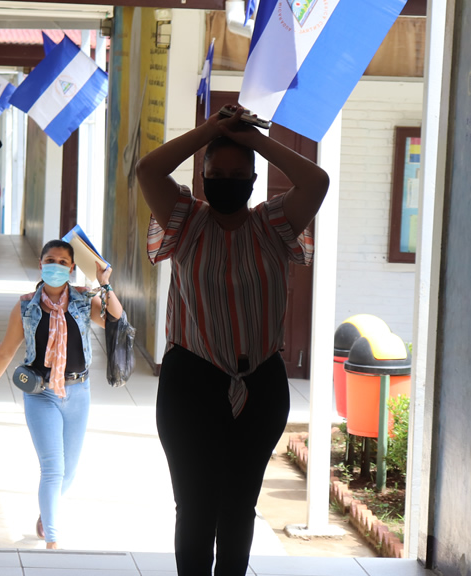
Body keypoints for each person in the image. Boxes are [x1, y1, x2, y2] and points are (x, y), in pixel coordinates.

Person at [136, 105, 330, 576]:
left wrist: (252, 138)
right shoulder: (185, 220)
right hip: (190, 383)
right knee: (197, 507)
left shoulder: (274, 224)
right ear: (201, 177)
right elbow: (148, 169)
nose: (227, 180)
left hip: (260, 384)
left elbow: (316, 182)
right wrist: (210, 130)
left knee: (240, 506)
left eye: (237, 173)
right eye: (216, 173)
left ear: (252, 177)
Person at [0, 240, 125, 549]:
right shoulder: (25, 306)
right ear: (40, 265)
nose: (56, 266)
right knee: (53, 467)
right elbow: (5, 354)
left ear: (73, 268)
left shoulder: (81, 299)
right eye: (50, 260)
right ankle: (52, 539)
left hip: (78, 391)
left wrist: (105, 285)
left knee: (70, 471)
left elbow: (116, 319)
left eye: (63, 262)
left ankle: (45, 512)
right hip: (41, 394)